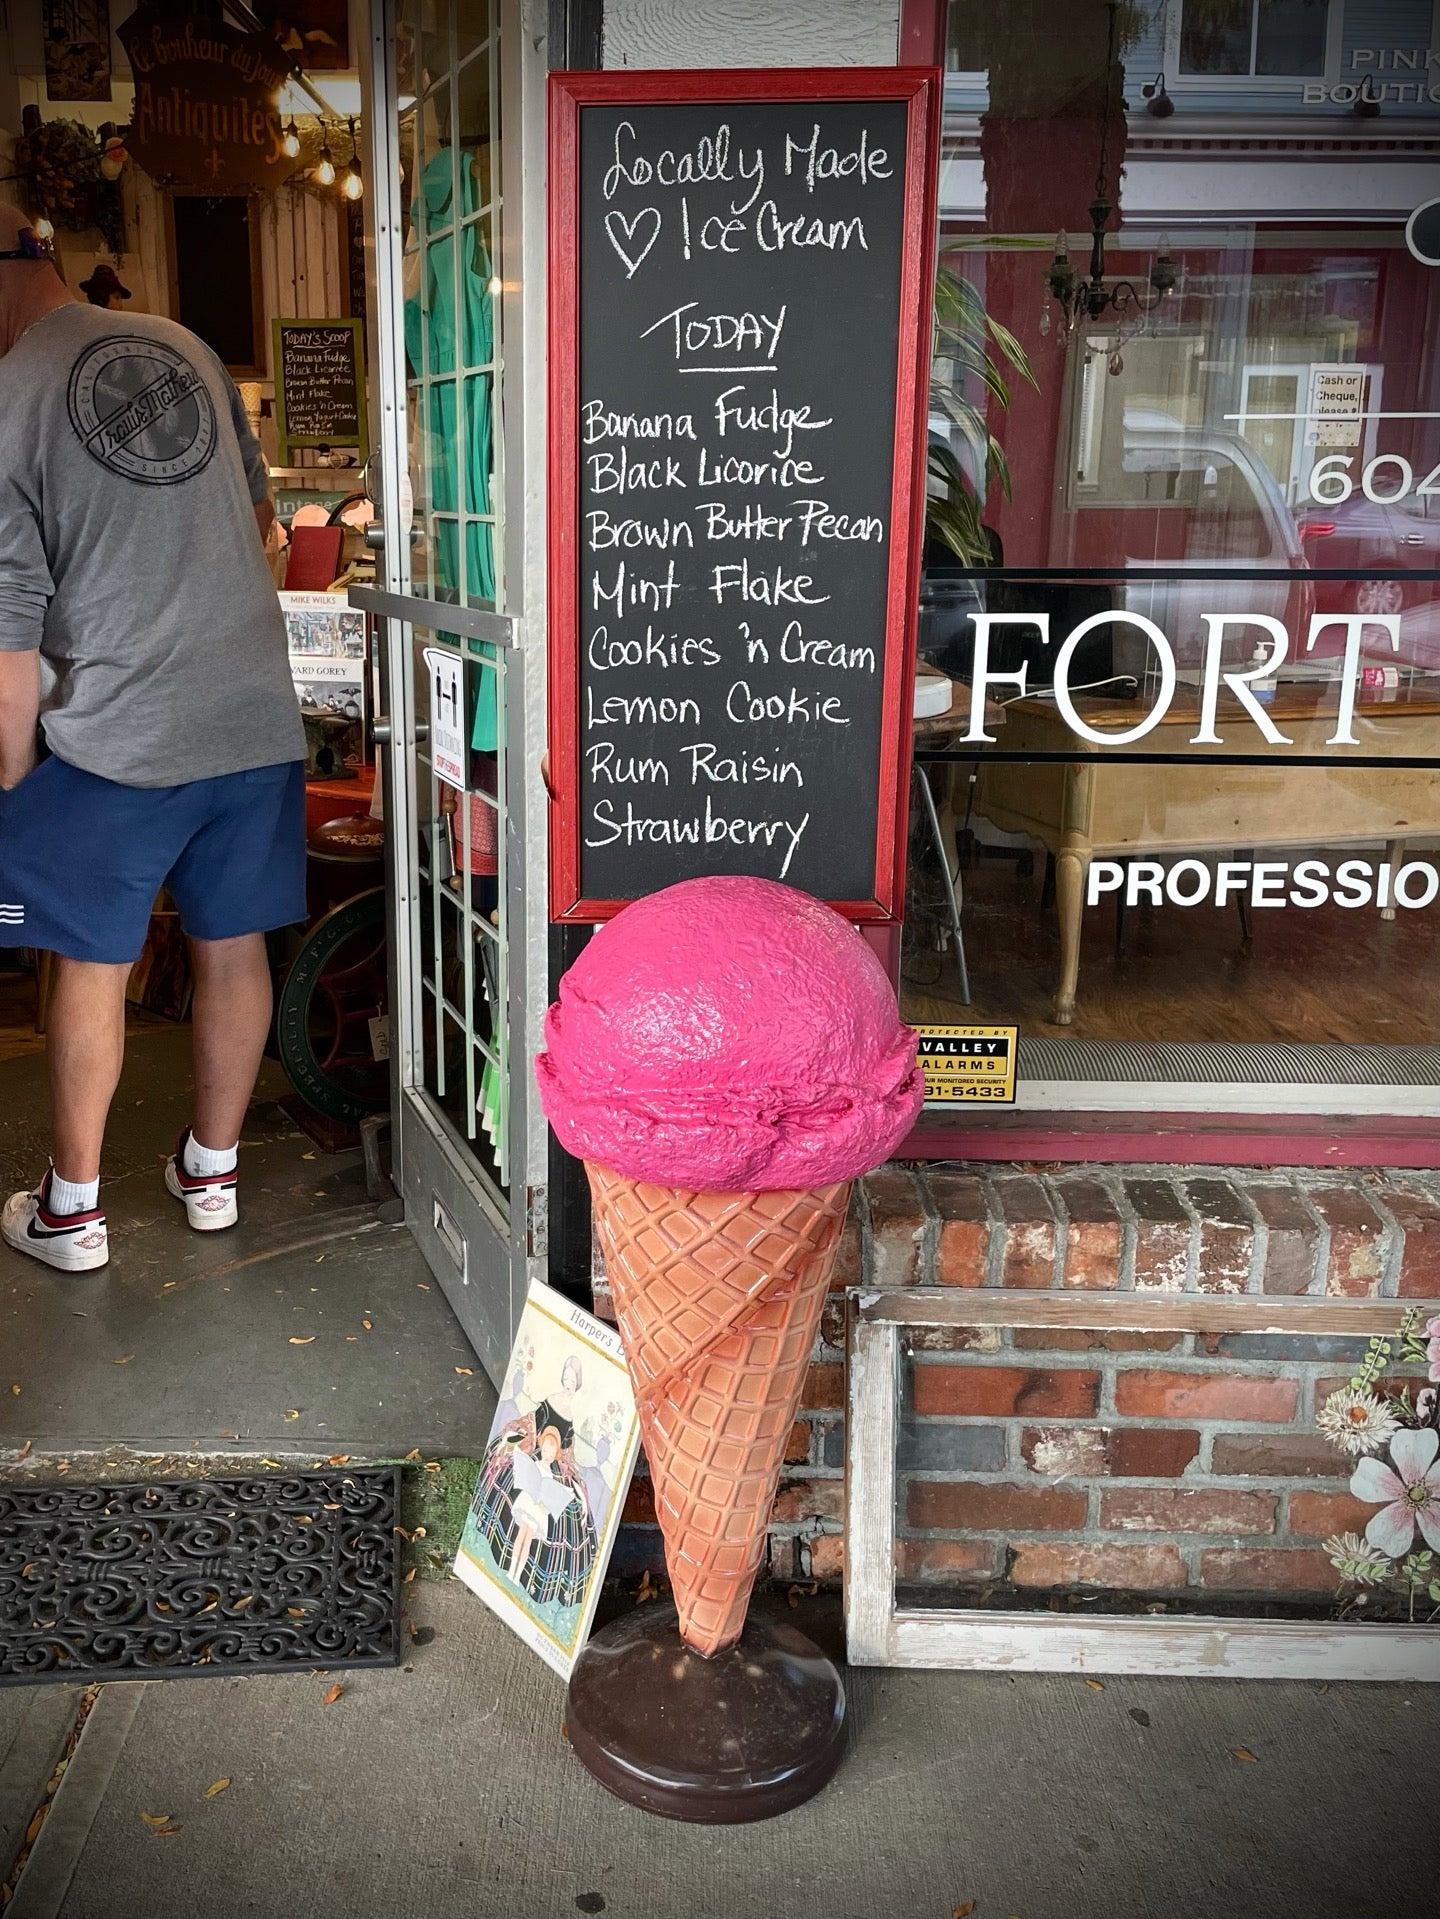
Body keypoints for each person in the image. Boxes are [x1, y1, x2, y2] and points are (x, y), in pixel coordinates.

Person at [0, 204, 306, 1274]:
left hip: (118, 732)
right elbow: (268, 527)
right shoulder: (180, 341)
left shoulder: (7, 402)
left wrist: (10, 789)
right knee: (235, 942)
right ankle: (210, 1172)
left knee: (85, 956)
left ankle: (72, 1211)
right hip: (253, 714)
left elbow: (5, 644)